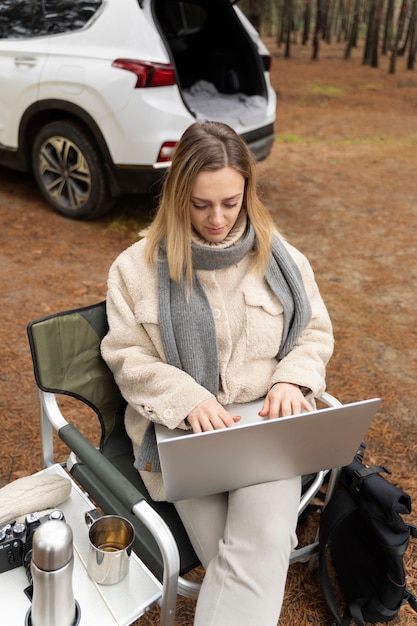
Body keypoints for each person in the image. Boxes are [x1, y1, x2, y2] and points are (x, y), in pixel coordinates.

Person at [101, 120, 334, 626]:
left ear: (248, 191)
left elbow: (314, 332)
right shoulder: (134, 268)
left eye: (231, 202)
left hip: (267, 428)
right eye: (201, 204)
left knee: (257, 545)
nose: (217, 219)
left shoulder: (282, 257)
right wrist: (188, 399)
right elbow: (126, 355)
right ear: (178, 193)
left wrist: (291, 380)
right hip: (187, 432)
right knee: (255, 550)